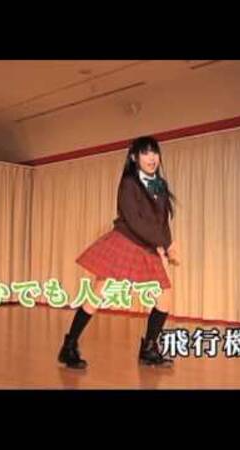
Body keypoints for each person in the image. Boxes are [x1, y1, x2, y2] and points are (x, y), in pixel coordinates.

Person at [58, 136, 180, 369]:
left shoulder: (159, 185)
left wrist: (167, 246)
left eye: (154, 152)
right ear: (134, 157)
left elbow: (161, 220)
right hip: (126, 240)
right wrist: (163, 243)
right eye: (145, 153)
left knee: (165, 295)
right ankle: (69, 346)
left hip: (149, 245)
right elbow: (134, 221)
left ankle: (149, 349)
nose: (152, 158)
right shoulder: (129, 183)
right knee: (97, 293)